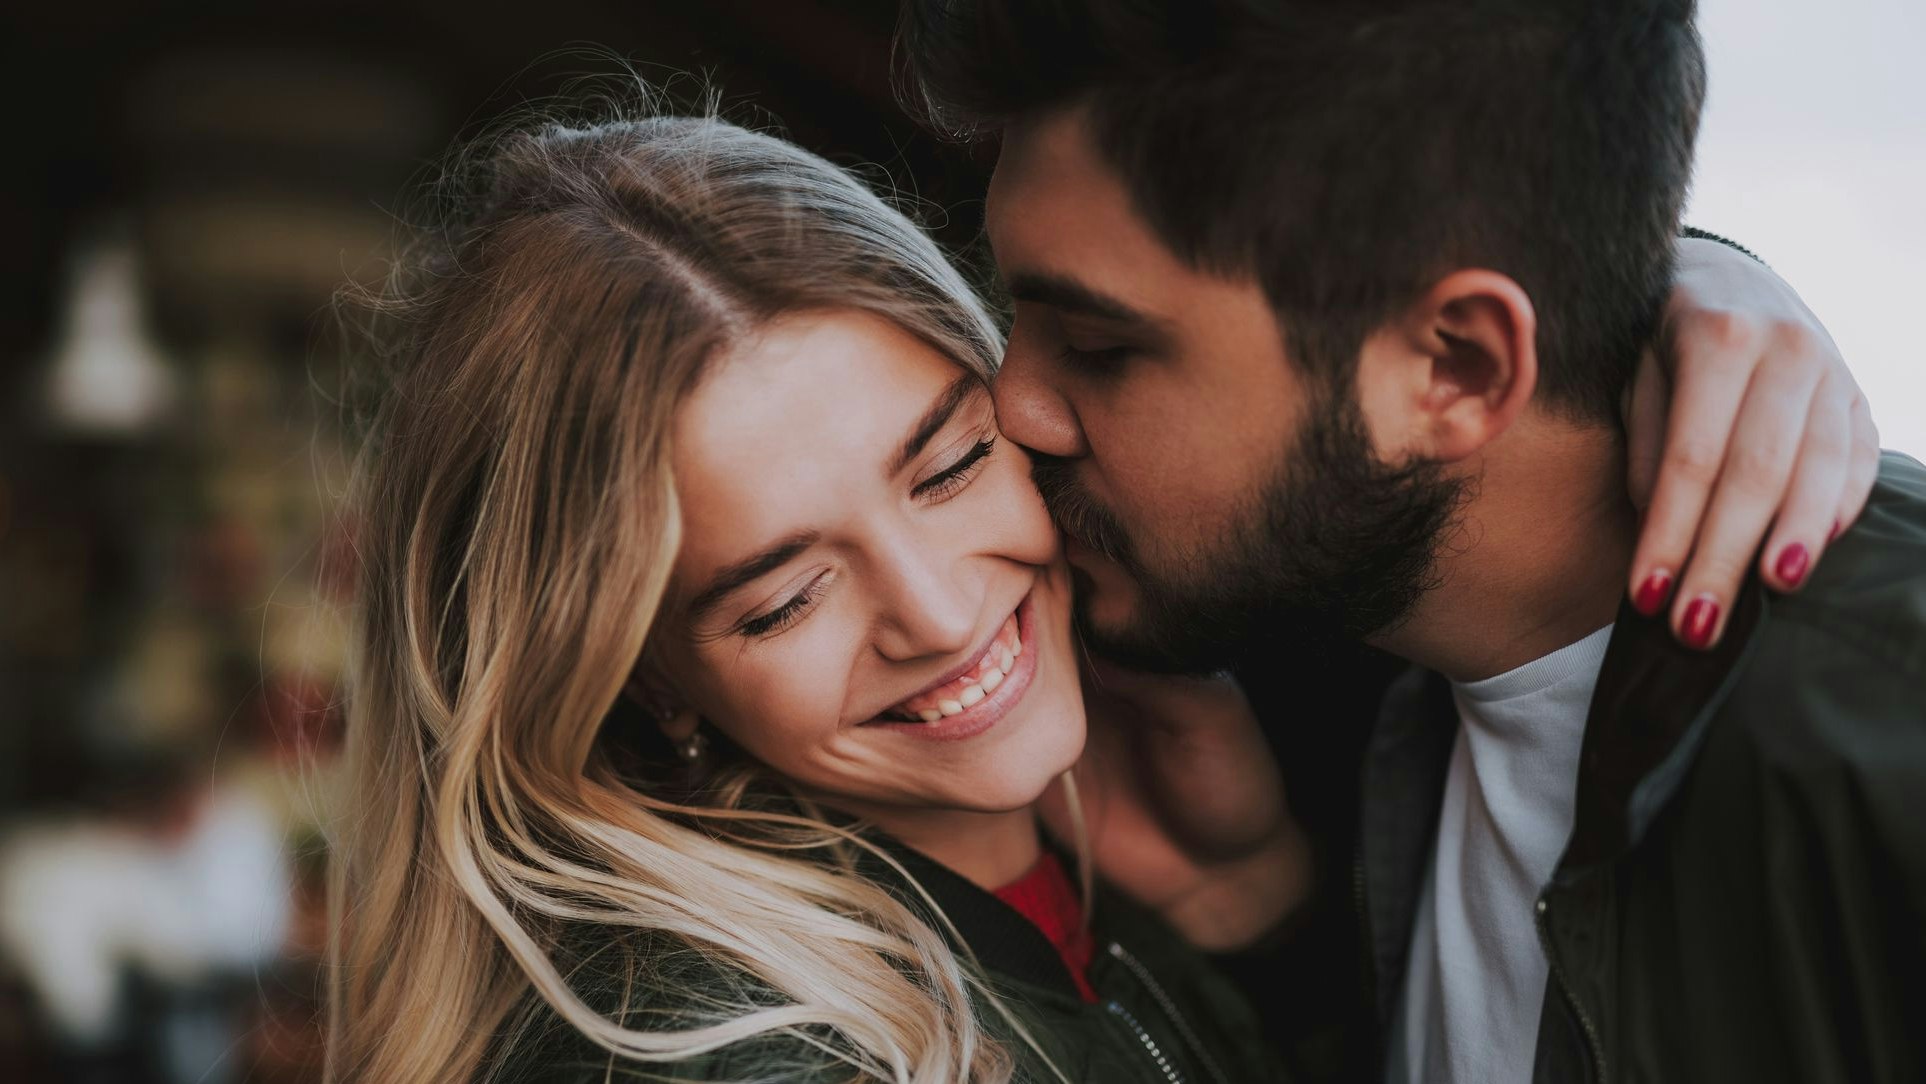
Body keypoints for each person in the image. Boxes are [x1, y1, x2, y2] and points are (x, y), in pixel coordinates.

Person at [900, 1, 1924, 1081]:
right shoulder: (1333, 633)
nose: (1016, 406)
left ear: (1458, 370)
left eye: (1101, 347)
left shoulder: (1881, 737)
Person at [330, 113, 1292, 1084]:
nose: (940, 614)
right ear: (642, 679)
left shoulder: (1100, 891)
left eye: (950, 467)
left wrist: (1244, 903)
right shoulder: (741, 1058)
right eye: (786, 600)